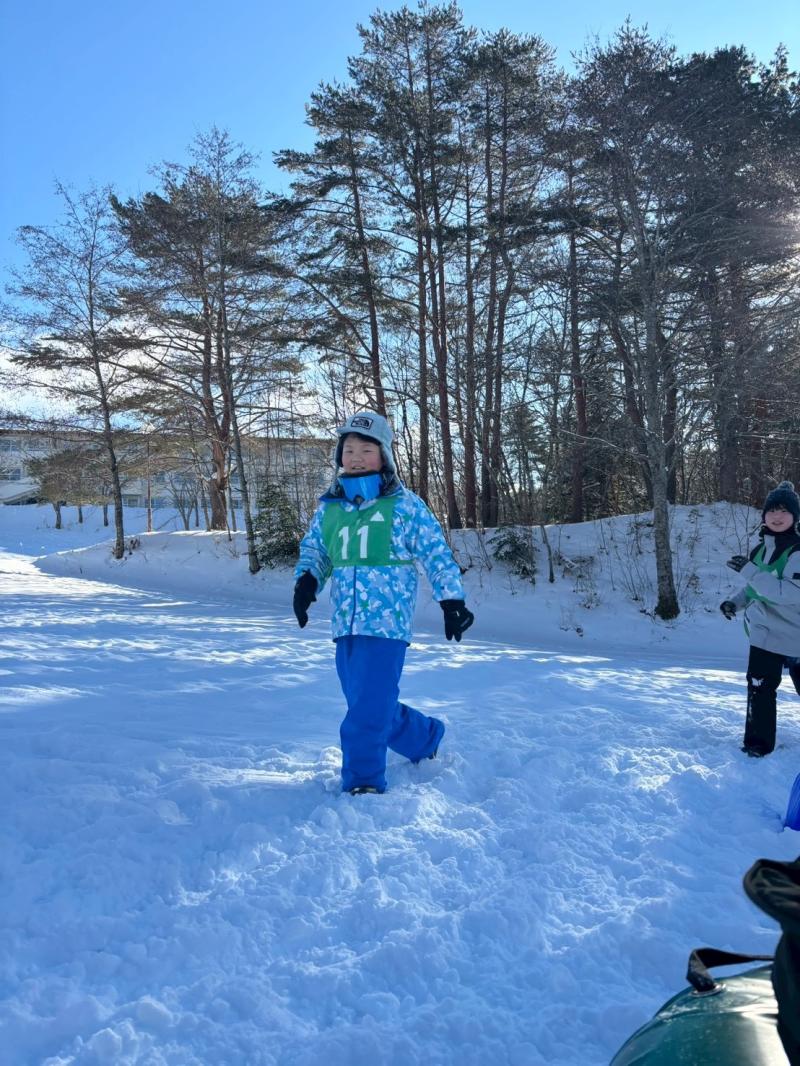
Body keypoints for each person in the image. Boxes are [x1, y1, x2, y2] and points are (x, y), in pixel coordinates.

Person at [292, 411, 474, 795]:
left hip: (386, 623)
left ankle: (363, 781)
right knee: (369, 703)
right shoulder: (331, 507)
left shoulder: (403, 505)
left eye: (366, 450)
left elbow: (435, 553)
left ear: (384, 455)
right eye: (349, 450)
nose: (356, 457)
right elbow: (317, 552)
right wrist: (306, 583)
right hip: (345, 623)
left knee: (366, 710)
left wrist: (451, 600)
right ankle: (424, 738)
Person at [720, 480, 800, 757]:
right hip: (765, 634)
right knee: (759, 687)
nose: (777, 516)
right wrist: (735, 603)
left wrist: (750, 571)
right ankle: (757, 744)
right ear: (764, 516)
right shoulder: (760, 550)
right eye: (772, 511)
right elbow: (754, 588)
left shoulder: (798, 552)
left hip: (796, 635)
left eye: (784, 511)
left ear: (795, 517)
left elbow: (789, 593)